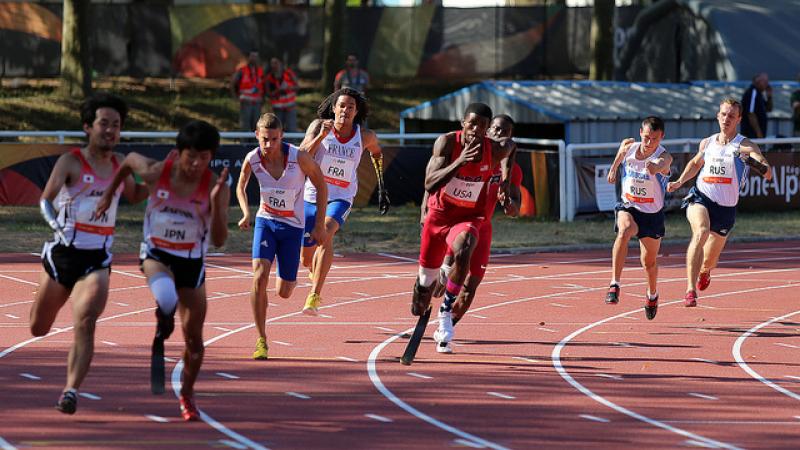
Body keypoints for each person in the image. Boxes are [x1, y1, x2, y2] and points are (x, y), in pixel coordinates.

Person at [96, 120, 230, 421]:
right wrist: (108, 193)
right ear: (178, 152)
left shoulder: (215, 187)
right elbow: (129, 160)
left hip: (191, 262)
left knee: (195, 343)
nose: (196, 164)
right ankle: (162, 326)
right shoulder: (159, 172)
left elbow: (220, 241)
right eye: (191, 156)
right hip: (157, 253)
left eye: (205, 157)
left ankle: (187, 394)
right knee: (167, 298)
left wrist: (214, 203)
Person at [30, 93, 148, 415]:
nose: (110, 130)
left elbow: (136, 194)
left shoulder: (119, 166)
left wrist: (159, 178)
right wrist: (56, 225)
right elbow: (45, 199)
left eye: (116, 125)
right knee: (38, 327)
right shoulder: (70, 162)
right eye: (104, 124)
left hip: (97, 259)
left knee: (85, 322)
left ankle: (70, 390)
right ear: (88, 127)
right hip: (63, 254)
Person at [413, 103, 516, 354]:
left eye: (482, 126)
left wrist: (506, 180)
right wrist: (460, 161)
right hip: (439, 216)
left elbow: (512, 146)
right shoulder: (447, 143)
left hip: (469, 216)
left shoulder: (496, 149)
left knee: (466, 246)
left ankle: (446, 312)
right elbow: (429, 183)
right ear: (463, 123)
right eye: (472, 124)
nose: (476, 130)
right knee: (420, 299)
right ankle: (423, 287)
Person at [236, 113, 328, 360]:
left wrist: (319, 225)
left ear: (282, 136)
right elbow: (241, 184)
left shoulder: (299, 157)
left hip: (293, 228)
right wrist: (246, 213)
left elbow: (321, 185)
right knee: (258, 276)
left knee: (284, 292)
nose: (268, 145)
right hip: (266, 222)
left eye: (274, 139)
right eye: (264, 139)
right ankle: (261, 339)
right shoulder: (252, 158)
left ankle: (292, 274)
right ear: (257, 135)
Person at [667, 98, 772, 307]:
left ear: (739, 119)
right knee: (701, 231)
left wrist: (754, 163)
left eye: (731, 116)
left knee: (709, 261)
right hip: (701, 197)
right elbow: (696, 163)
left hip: (726, 209)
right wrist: (679, 182)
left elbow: (767, 171)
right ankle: (690, 289)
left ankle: (704, 271)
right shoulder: (707, 142)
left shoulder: (745, 145)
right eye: (723, 114)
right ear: (718, 116)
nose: (726, 119)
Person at [299, 87, 389, 315]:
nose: (345, 111)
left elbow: (377, 153)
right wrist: (321, 136)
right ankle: (312, 269)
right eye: (342, 106)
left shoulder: (365, 136)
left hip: (341, 197)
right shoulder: (319, 126)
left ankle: (314, 296)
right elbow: (302, 155)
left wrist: (381, 184)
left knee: (325, 234)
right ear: (334, 108)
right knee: (305, 257)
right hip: (312, 195)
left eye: (350, 107)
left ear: (356, 111)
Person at [428, 114, 523, 329]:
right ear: (487, 130)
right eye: (496, 129)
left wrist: (509, 206)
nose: (499, 134)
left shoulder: (513, 170)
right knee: (439, 278)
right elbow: (434, 182)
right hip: (456, 221)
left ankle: (447, 324)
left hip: (482, 227)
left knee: (471, 284)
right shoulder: (465, 153)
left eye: (505, 132)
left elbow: (516, 208)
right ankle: (428, 302)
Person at [604, 116, 672, 320]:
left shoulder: (664, 156)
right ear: (640, 133)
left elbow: (664, 163)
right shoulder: (629, 147)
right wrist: (613, 168)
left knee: (648, 262)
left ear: (661, 137)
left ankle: (652, 294)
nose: (649, 143)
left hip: (652, 215)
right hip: (629, 206)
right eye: (646, 137)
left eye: (654, 139)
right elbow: (622, 149)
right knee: (624, 231)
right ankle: (614, 284)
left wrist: (657, 166)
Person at [231, 50, 265, 132]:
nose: (254, 58)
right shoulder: (242, 70)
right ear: (248, 58)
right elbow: (233, 83)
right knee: (245, 125)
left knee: (257, 125)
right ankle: (244, 144)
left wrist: (263, 98)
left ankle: (254, 143)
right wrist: (235, 97)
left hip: (257, 102)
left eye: (256, 56)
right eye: (252, 56)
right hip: (246, 102)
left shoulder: (260, 71)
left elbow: (264, 86)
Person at [266, 58, 298, 132]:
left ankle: (292, 143)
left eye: (276, 63)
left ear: (280, 63)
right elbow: (268, 94)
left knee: (291, 129)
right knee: (278, 130)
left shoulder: (288, 73)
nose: (274, 65)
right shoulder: (269, 78)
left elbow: (297, 86)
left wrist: (288, 88)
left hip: (290, 107)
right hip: (278, 108)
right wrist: (278, 91)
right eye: (272, 63)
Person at [740, 72, 773, 139]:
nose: (767, 84)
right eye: (765, 82)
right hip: (751, 135)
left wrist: (769, 97)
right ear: (758, 81)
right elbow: (751, 113)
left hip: (757, 136)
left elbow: (769, 109)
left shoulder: (759, 94)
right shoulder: (753, 92)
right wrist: (759, 133)